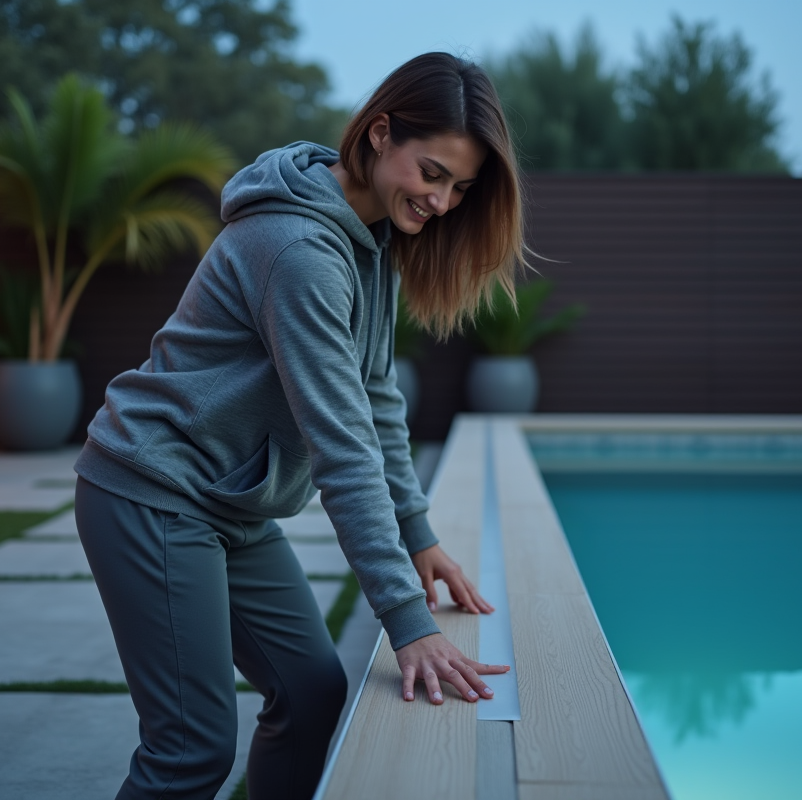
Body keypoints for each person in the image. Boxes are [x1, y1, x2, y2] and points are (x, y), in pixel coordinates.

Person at [73, 51, 528, 800]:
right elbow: (341, 447)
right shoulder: (300, 252)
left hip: (228, 503)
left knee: (312, 693)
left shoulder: (369, 236)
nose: (443, 202)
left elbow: (376, 395)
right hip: (153, 492)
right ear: (380, 133)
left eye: (460, 187)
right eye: (433, 173)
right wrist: (408, 621)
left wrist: (418, 533)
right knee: (189, 751)